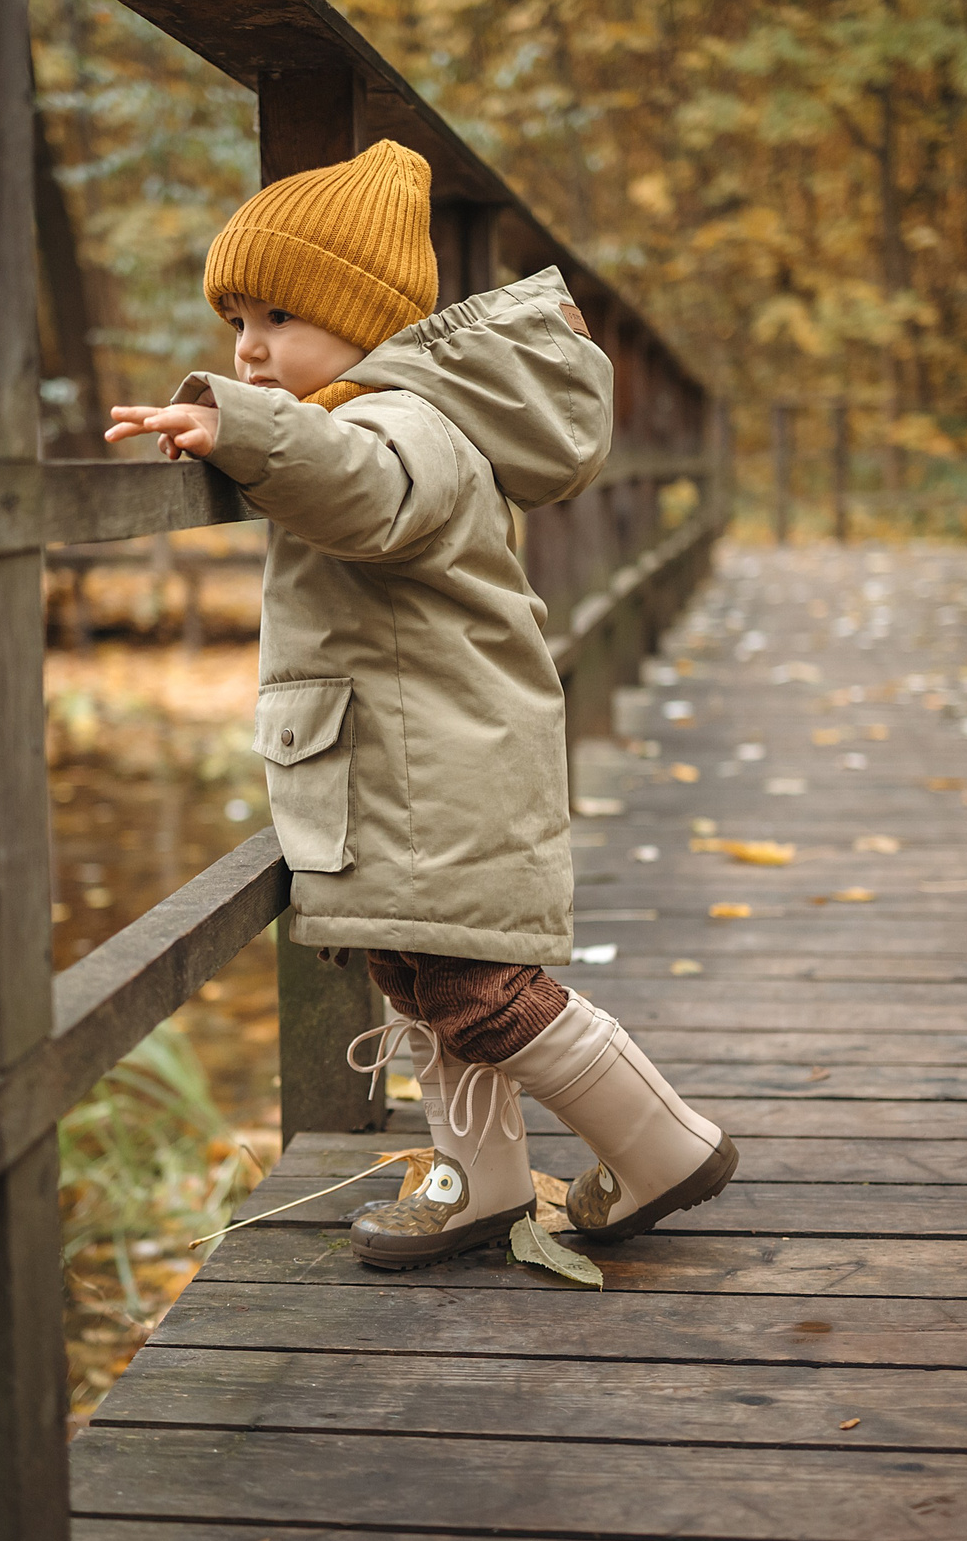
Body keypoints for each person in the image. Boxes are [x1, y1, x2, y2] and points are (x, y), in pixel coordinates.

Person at [105, 139, 734, 1269]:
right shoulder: (376, 410)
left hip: (431, 772)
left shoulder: (409, 424)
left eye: (277, 317)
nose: (247, 349)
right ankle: (481, 1181)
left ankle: (665, 1146)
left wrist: (240, 426)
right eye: (234, 321)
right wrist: (265, 418)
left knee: (479, 988)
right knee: (420, 974)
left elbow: (365, 497)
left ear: (366, 322)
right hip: (410, 764)